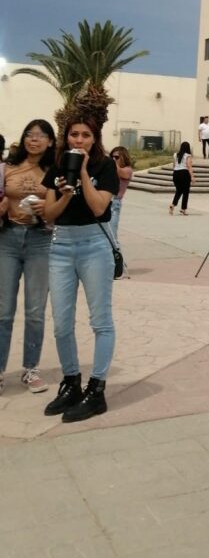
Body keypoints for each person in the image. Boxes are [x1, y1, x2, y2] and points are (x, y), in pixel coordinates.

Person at [42, 116, 119, 422]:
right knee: (61, 323)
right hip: (60, 246)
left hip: (94, 246)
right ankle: (71, 382)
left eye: (85, 135)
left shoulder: (105, 166)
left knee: (100, 321)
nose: (79, 140)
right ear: (66, 137)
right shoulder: (58, 168)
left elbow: (100, 208)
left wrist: (83, 173)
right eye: (74, 134)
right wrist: (64, 192)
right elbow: (49, 214)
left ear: (94, 138)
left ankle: (96, 390)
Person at [0, 119, 56, 395]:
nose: (33, 140)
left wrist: (48, 208)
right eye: (29, 135)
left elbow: (61, 206)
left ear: (50, 141)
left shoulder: (54, 171)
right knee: (2, 311)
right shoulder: (6, 167)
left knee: (35, 311)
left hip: (40, 241)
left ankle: (30, 369)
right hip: (7, 240)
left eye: (40, 135)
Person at [108, 146, 133, 250]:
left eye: (116, 157)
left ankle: (119, 264)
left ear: (123, 157)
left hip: (114, 203)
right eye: (112, 157)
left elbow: (120, 172)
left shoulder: (127, 170)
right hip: (105, 201)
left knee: (112, 237)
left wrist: (111, 162)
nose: (114, 159)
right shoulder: (111, 169)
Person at [170, 142, 194, 215]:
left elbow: (174, 166)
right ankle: (183, 209)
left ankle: (173, 205)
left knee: (179, 190)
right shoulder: (188, 155)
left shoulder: (175, 155)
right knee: (185, 192)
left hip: (176, 174)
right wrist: (192, 176)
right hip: (184, 174)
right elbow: (189, 166)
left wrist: (176, 172)